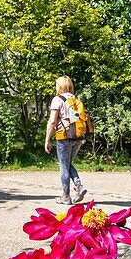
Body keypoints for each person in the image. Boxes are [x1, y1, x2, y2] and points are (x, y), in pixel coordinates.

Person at [44, 75, 87, 205]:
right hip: (78, 137)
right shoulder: (75, 99)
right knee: (67, 164)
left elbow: (52, 121)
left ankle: (66, 196)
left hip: (64, 137)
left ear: (60, 86)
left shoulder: (57, 100)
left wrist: (47, 139)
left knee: (64, 166)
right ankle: (79, 186)